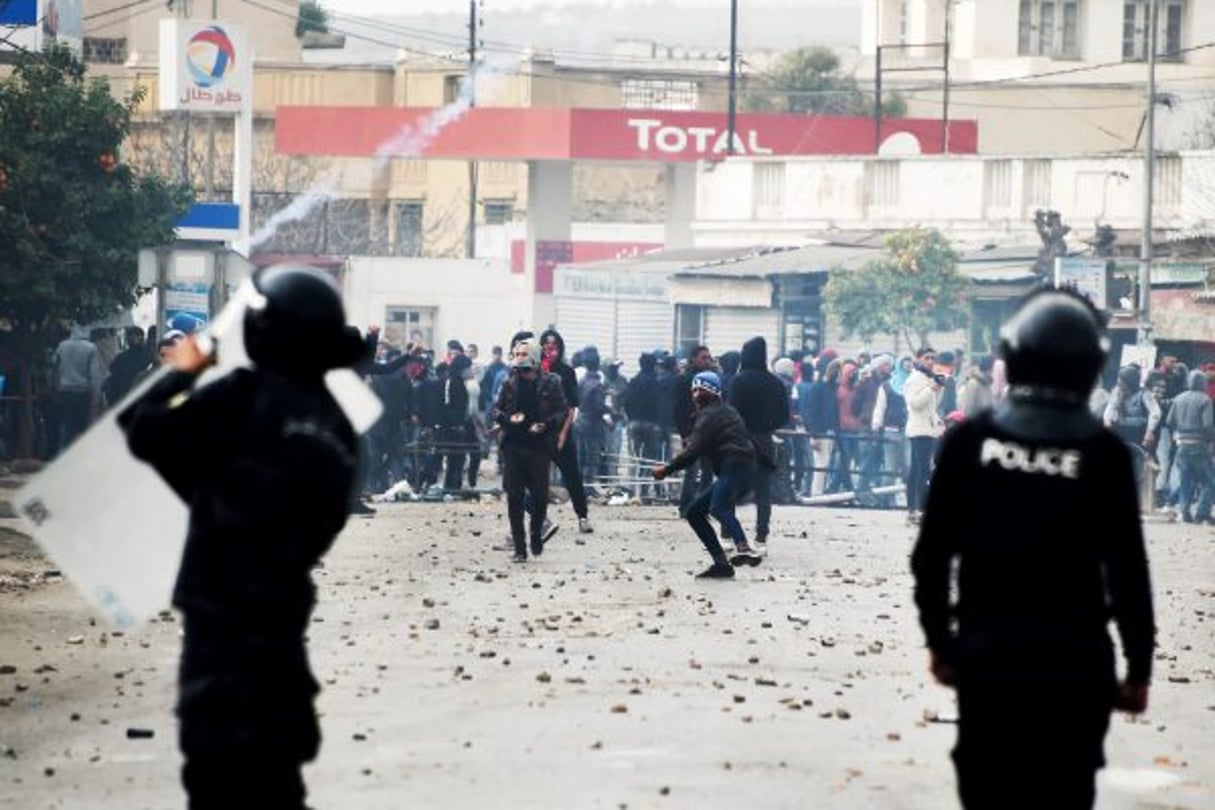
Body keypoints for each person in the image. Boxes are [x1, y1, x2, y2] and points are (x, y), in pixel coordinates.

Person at [118, 264, 368, 810]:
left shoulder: (240, 397)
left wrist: (187, 364)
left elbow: (141, 428)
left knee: (215, 783)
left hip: (220, 623)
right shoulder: (337, 426)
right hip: (281, 626)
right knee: (279, 784)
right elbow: (326, 522)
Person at [911, 287, 1155, 810]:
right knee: (1065, 792)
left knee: (988, 788)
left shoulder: (970, 441)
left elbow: (931, 557)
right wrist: (1138, 669)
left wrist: (940, 642)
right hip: (1075, 663)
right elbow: (1129, 570)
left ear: (1013, 358)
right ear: (1092, 367)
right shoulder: (1105, 453)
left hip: (989, 657)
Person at [653, 371, 763, 578]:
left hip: (735, 465)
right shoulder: (725, 411)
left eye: (699, 390)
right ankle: (721, 564)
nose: (695, 395)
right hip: (740, 467)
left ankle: (744, 547)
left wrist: (666, 470)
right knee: (694, 513)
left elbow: (693, 452)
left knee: (719, 507)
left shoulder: (710, 414)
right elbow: (704, 443)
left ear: (711, 392)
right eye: (693, 390)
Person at [493, 337, 567, 562]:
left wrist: (546, 425)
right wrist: (508, 419)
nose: (520, 358)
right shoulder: (509, 382)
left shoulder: (551, 382)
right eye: (518, 353)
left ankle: (536, 535)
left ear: (534, 358)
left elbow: (562, 411)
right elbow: (496, 411)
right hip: (513, 447)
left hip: (539, 448)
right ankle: (519, 548)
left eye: (525, 354)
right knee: (514, 498)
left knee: (539, 499)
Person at [727, 337, 789, 546]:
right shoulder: (775, 383)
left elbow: (731, 412)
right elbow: (784, 415)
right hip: (764, 439)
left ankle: (728, 534)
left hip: (739, 440)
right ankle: (761, 536)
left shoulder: (738, 381)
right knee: (763, 491)